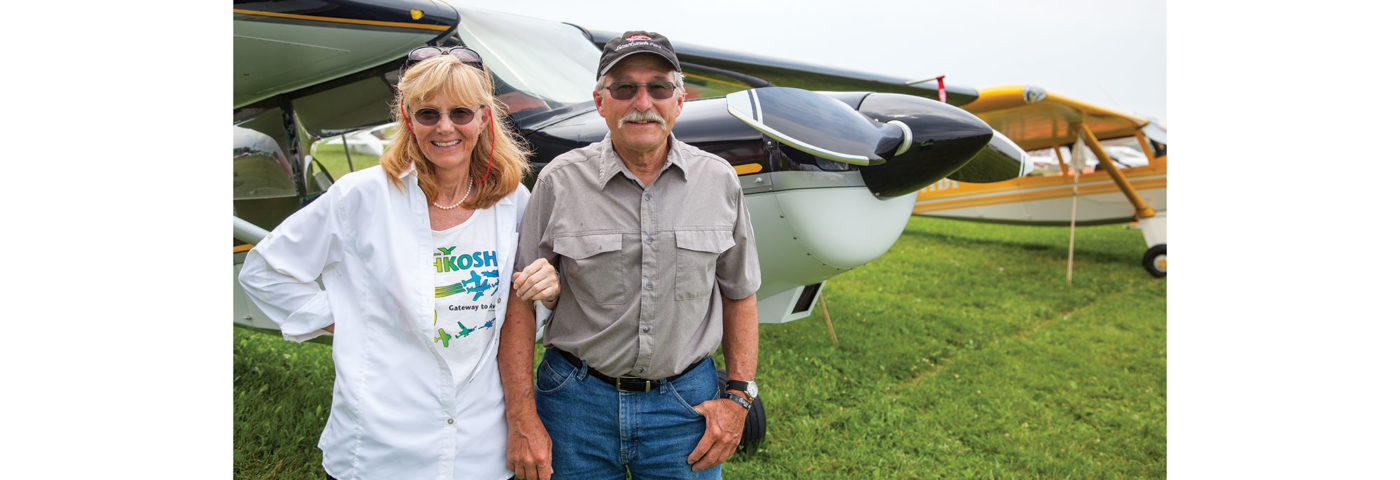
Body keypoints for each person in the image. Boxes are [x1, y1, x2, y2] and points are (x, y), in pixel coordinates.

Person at [238, 46, 560, 480]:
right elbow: (264, 270)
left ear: (484, 118)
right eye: (429, 114)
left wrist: (549, 289)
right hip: (379, 446)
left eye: (461, 113)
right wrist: (347, 318)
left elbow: (523, 308)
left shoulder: (511, 201)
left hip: (479, 447)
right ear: (408, 119)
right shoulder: (361, 196)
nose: (445, 127)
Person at [499, 31, 761, 480]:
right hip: (575, 405)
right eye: (624, 88)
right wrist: (522, 418)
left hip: (685, 408)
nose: (643, 101)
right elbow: (519, 304)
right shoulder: (559, 182)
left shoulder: (718, 181)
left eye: (658, 87)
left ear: (679, 101)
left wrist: (738, 400)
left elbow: (740, 294)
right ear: (601, 102)